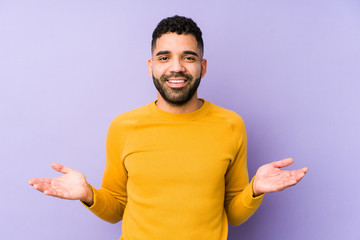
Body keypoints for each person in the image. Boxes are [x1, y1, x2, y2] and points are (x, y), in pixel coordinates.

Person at [28, 15, 308, 240]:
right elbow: (116, 210)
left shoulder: (231, 124)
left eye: (188, 57)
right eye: (164, 58)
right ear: (151, 66)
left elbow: (233, 215)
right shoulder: (124, 126)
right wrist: (89, 195)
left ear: (203, 66)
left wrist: (255, 191)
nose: (176, 67)